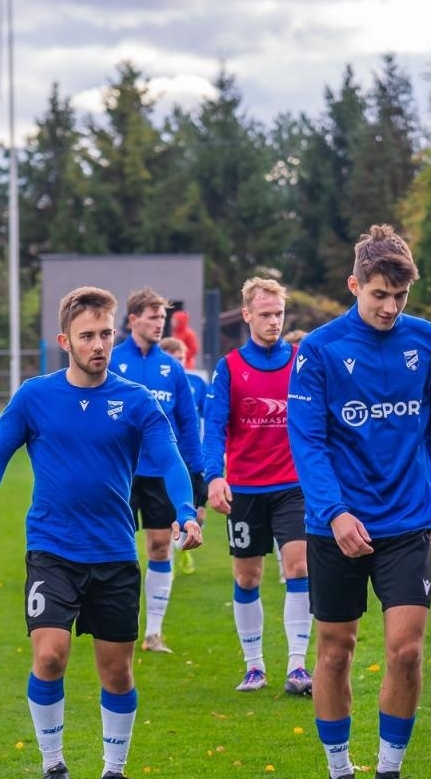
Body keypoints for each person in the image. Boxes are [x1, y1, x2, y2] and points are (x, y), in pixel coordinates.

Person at [0, 286, 202, 779]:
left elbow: (171, 459)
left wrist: (184, 510)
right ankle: (54, 767)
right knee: (50, 655)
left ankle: (113, 772)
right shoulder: (34, 397)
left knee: (117, 669)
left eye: (106, 334)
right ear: (65, 340)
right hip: (52, 550)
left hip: (113, 554)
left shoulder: (137, 401)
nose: (99, 345)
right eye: (88, 335)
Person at [288, 224, 431, 779]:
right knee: (335, 651)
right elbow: (307, 441)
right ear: (353, 285)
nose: (389, 309)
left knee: (406, 651)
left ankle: (389, 773)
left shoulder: (428, 342)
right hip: (336, 523)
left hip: (408, 517)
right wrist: (334, 513)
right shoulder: (320, 349)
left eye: (400, 298)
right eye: (378, 296)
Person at [203, 277, 313, 696]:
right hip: (245, 488)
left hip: (292, 485)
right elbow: (214, 427)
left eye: (279, 314)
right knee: (248, 576)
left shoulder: (301, 362)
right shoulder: (229, 367)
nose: (273, 321)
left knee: (299, 565)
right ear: (247, 315)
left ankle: (298, 666)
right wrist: (215, 475)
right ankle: (254, 666)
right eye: (265, 314)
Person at [113, 288, 209, 653]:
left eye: (162, 318)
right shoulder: (111, 360)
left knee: (158, 546)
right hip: (120, 472)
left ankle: (153, 633)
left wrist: (197, 475)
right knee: (118, 548)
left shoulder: (172, 369)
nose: (159, 324)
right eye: (152, 317)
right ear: (133, 319)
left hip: (159, 473)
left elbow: (188, 424)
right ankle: (119, 626)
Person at [159, 336, 201, 575]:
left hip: (187, 458)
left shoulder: (196, 384)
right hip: (165, 459)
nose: (178, 363)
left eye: (181, 358)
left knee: (194, 513)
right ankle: (174, 554)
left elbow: (197, 421)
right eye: (173, 359)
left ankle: (182, 547)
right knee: (163, 527)